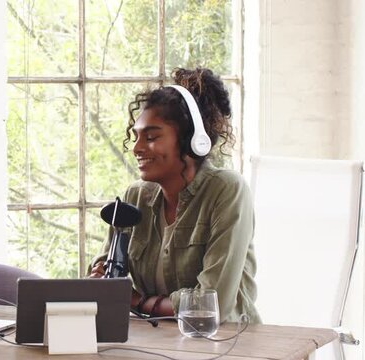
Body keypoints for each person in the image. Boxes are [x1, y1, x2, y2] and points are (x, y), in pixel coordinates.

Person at [89, 68, 261, 324]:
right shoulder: (135, 196)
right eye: (136, 137)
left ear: (191, 139)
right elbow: (106, 280)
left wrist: (138, 303)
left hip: (226, 344)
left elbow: (212, 305)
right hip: (154, 343)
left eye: (151, 136)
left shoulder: (226, 190)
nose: (136, 148)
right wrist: (99, 278)